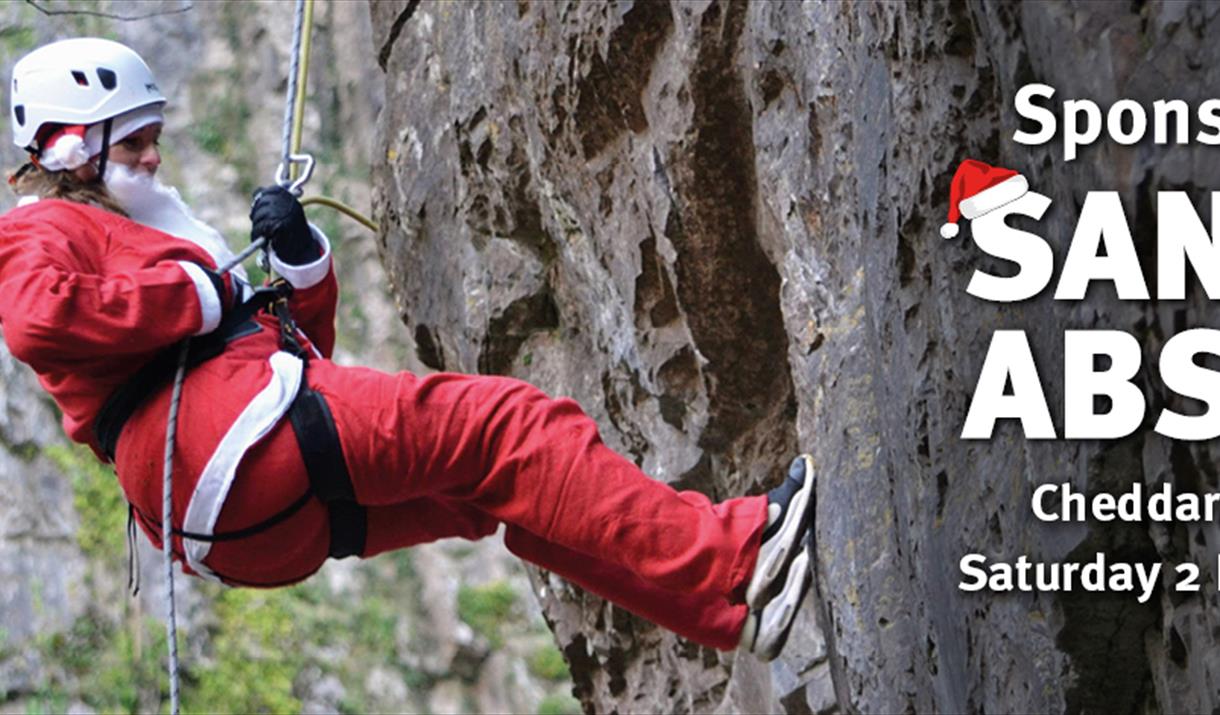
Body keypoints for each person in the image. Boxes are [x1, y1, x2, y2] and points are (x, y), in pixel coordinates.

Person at [0, 38, 816, 661]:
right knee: (510, 429)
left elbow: (301, 367)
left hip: (238, 513)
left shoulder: (134, 229)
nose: (153, 156)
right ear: (71, 142)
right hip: (226, 448)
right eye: (135, 141)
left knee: (493, 487)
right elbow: (35, 319)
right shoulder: (39, 227)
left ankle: (726, 612)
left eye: (153, 137)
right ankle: (732, 555)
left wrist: (299, 263)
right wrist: (204, 292)